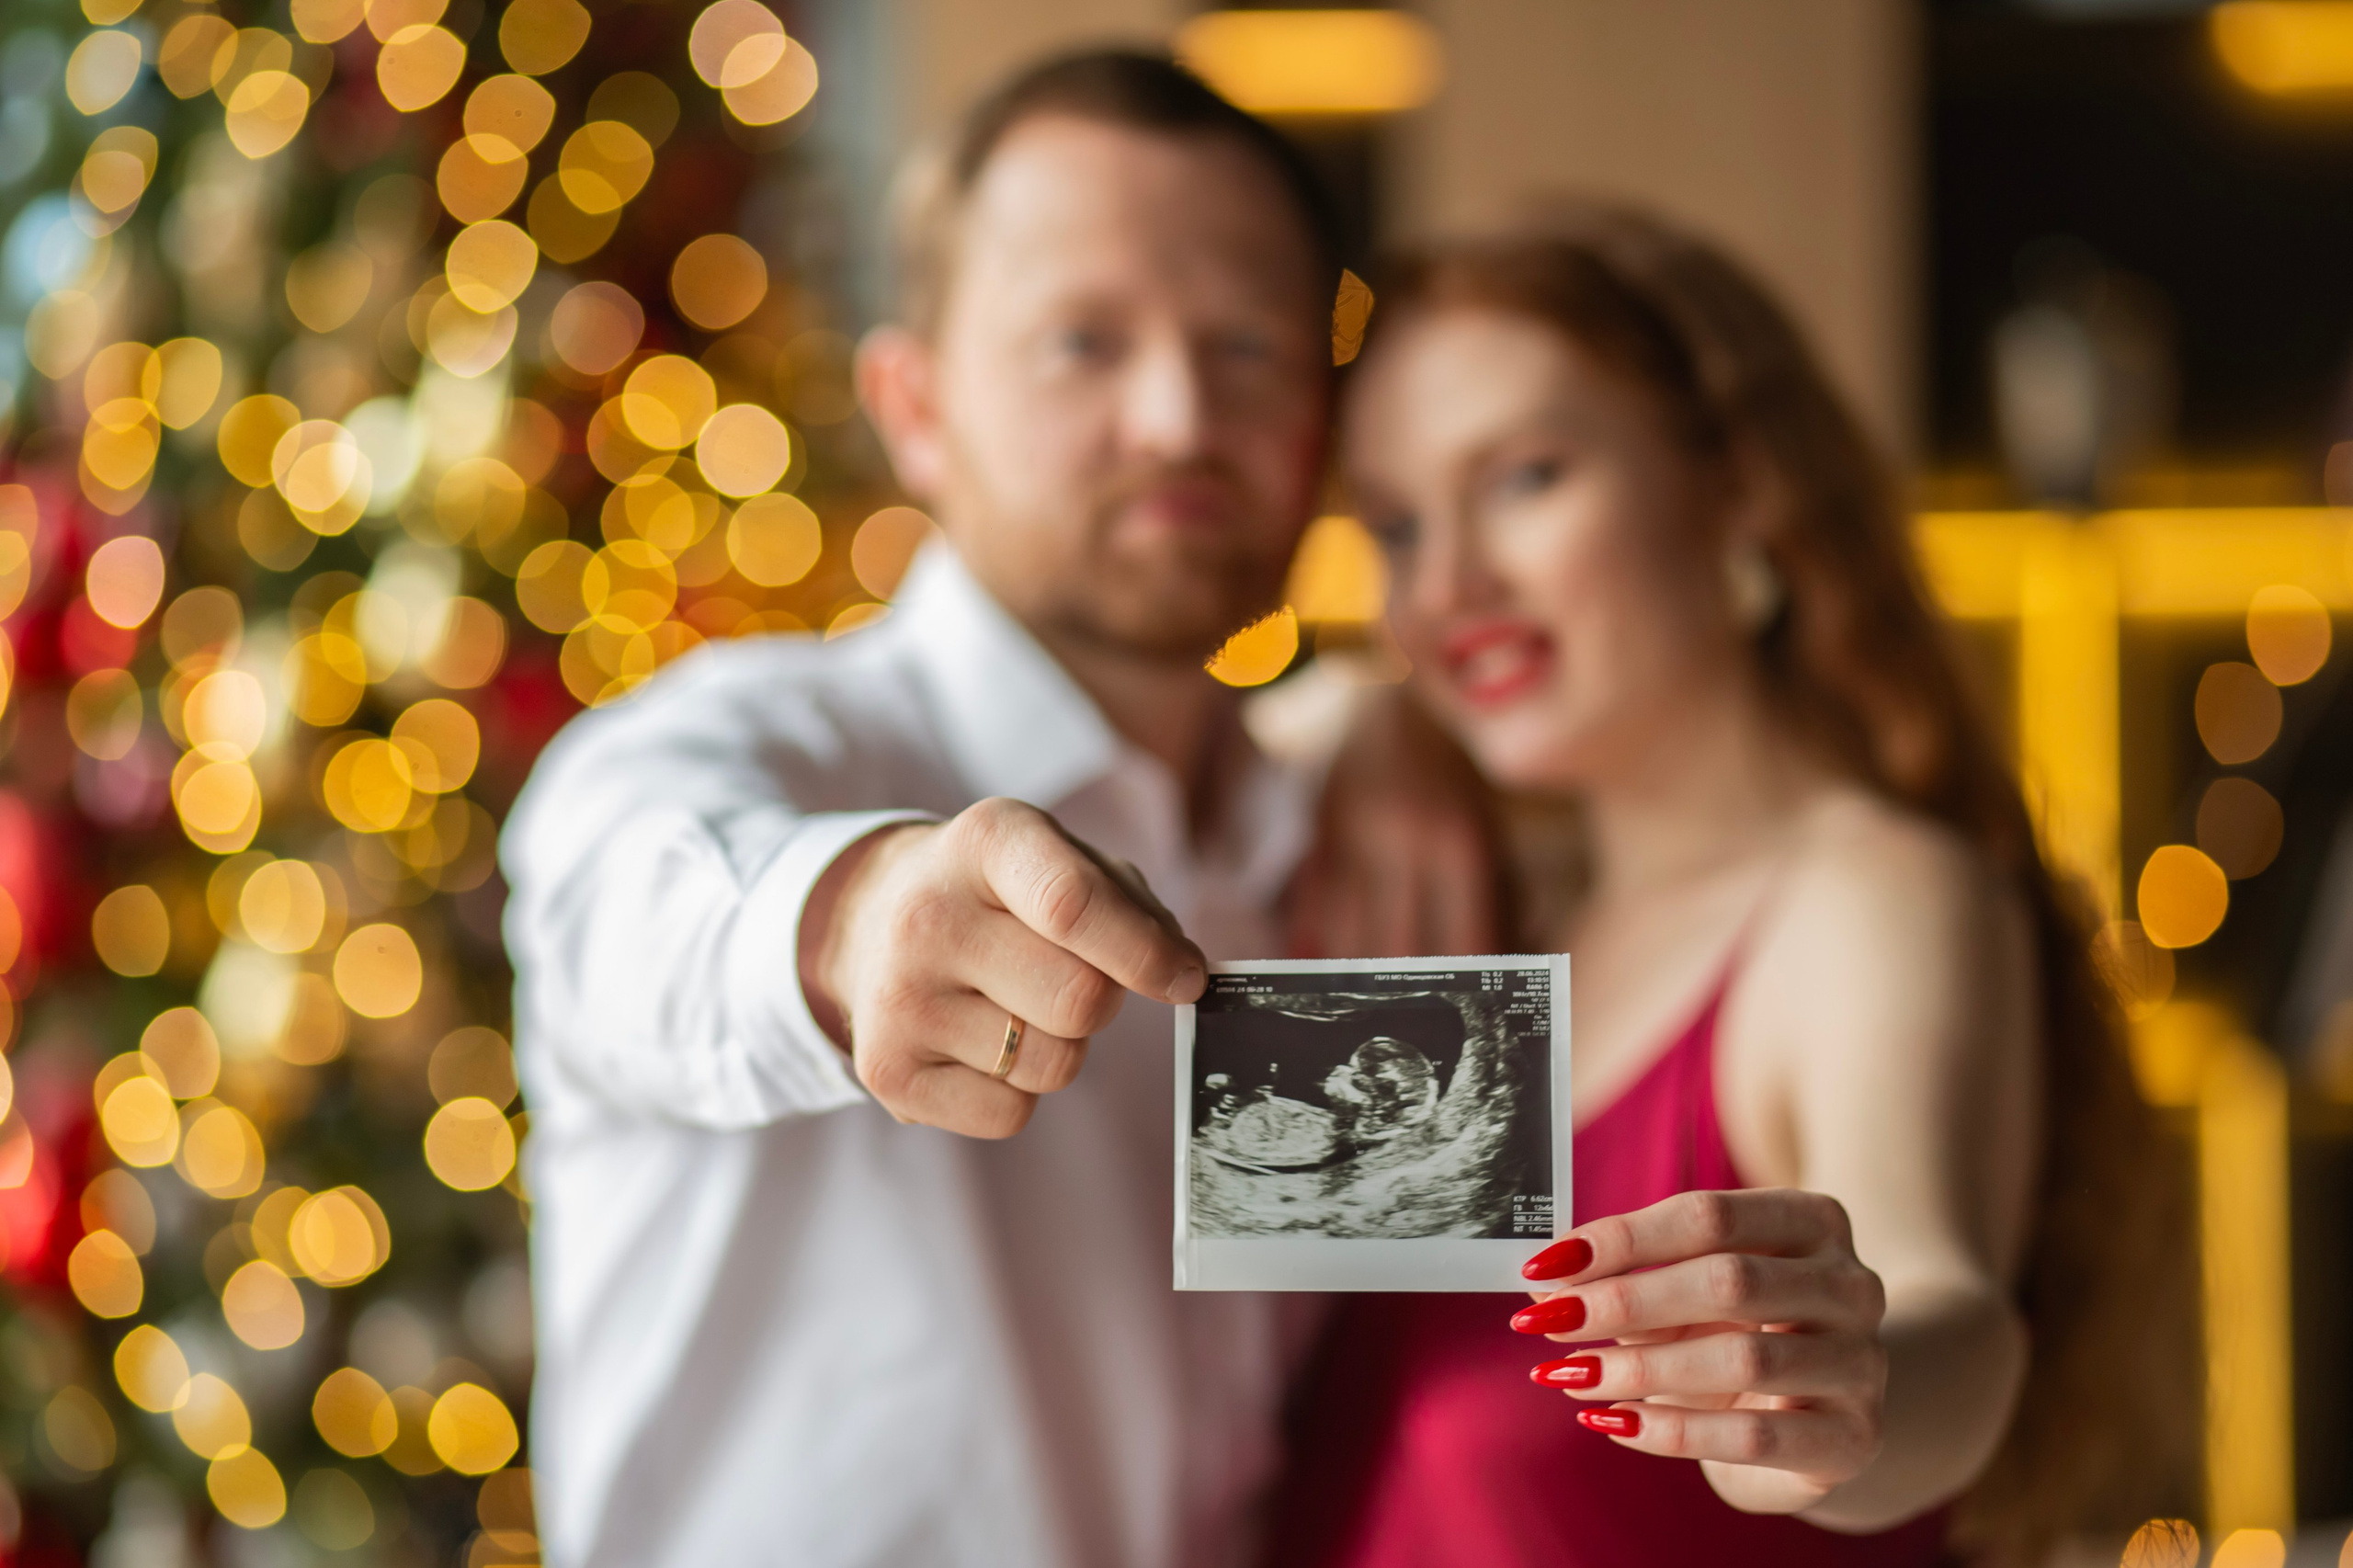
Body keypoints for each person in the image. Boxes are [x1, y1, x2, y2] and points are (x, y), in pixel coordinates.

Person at [501, 51, 1488, 1568]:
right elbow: (635, 907)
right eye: (1082, 341)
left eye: (1246, 345)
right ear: (916, 406)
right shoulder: (734, 749)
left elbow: (1350, 1434)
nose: (1174, 415)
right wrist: (854, 922)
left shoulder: (1345, 855)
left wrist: (1392, 714)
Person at [1265, 212, 2187, 1566]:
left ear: (1738, 484)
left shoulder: (1870, 895)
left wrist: (1845, 1397)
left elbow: (1945, 1315)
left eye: (1524, 477)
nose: (1448, 584)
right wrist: (1356, 709)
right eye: (1395, 525)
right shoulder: (1497, 919)